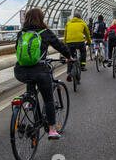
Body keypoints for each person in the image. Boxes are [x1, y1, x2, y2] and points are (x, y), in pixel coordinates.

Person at [14, 8, 73, 139]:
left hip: (20, 72)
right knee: (48, 100)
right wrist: (69, 57)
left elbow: (17, 50)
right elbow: (59, 45)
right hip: (40, 71)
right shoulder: (45, 32)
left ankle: (29, 100)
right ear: (41, 18)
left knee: (31, 78)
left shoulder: (21, 33)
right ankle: (52, 129)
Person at [64, 12, 92, 79]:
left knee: (70, 56)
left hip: (69, 42)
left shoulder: (68, 23)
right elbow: (87, 34)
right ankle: (83, 65)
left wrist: (65, 43)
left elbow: (65, 34)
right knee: (83, 51)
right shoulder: (82, 23)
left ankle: (69, 71)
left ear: (73, 17)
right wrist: (89, 42)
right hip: (80, 41)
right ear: (80, 17)